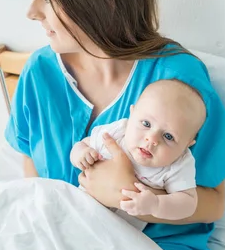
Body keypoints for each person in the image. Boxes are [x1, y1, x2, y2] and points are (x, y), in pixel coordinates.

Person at [4, 0, 225, 250]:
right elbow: (31, 167)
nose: (32, 11)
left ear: (102, 6)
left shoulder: (177, 80)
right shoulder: (39, 71)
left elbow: (213, 200)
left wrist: (130, 195)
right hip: (64, 240)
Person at [70, 79, 205, 231]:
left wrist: (156, 205)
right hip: (79, 208)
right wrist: (81, 154)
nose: (152, 139)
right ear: (132, 114)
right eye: (146, 124)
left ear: (187, 145)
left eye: (168, 136)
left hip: (118, 233)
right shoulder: (118, 131)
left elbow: (188, 204)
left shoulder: (178, 164)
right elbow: (83, 144)